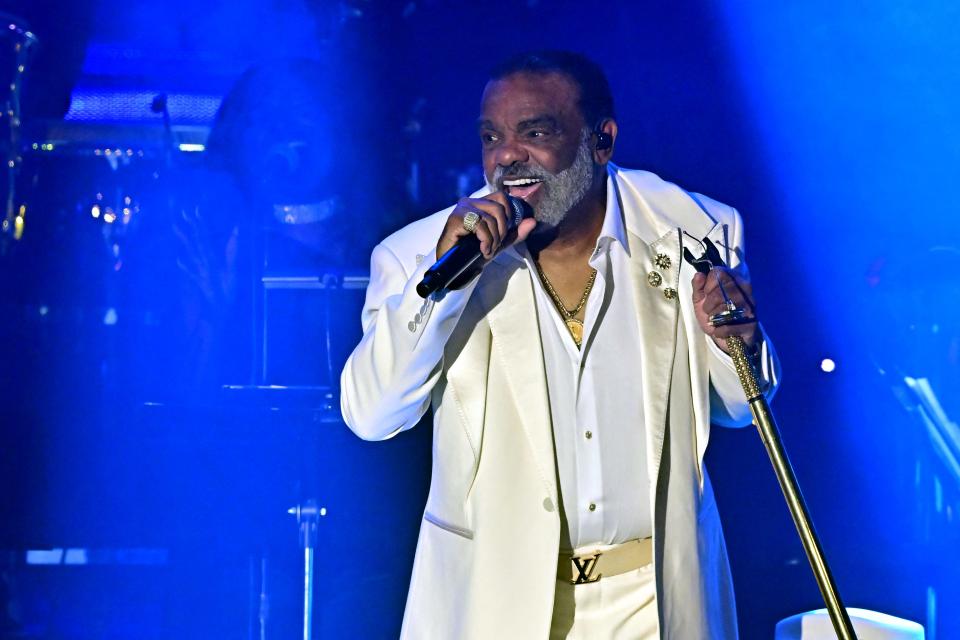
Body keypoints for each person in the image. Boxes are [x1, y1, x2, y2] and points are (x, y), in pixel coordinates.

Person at [340, 50, 779, 639]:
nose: (507, 157)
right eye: (491, 137)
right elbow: (371, 415)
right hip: (498, 600)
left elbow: (734, 410)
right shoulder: (421, 254)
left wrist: (739, 343)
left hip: (655, 598)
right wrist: (444, 285)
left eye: (535, 132)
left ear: (602, 141)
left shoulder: (695, 230)